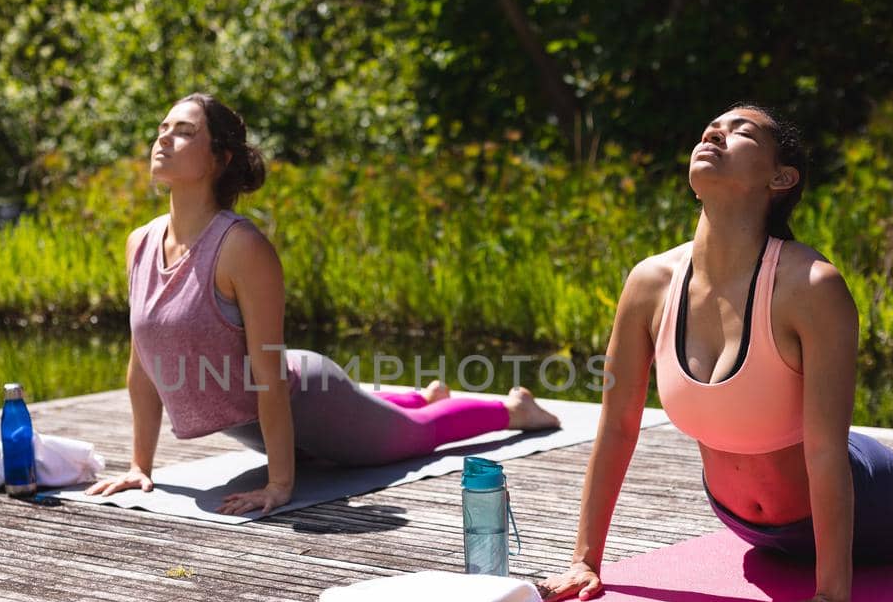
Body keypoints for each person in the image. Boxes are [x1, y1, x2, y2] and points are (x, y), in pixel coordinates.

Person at [536, 104, 893, 602]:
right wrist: (586, 561)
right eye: (712, 126)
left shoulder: (811, 287)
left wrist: (831, 598)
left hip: (872, 510)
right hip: (744, 522)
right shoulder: (649, 283)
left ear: (781, 177)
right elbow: (617, 427)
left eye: (741, 130)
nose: (715, 132)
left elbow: (824, 450)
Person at [87, 93, 560, 516]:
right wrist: (138, 465)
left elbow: (267, 370)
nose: (164, 138)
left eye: (185, 131)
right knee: (385, 419)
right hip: (254, 422)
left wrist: (280, 484)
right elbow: (143, 362)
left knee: (417, 437)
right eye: (162, 128)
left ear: (218, 158)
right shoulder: (140, 243)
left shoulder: (238, 246)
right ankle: (422, 394)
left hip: (305, 399)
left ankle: (514, 409)